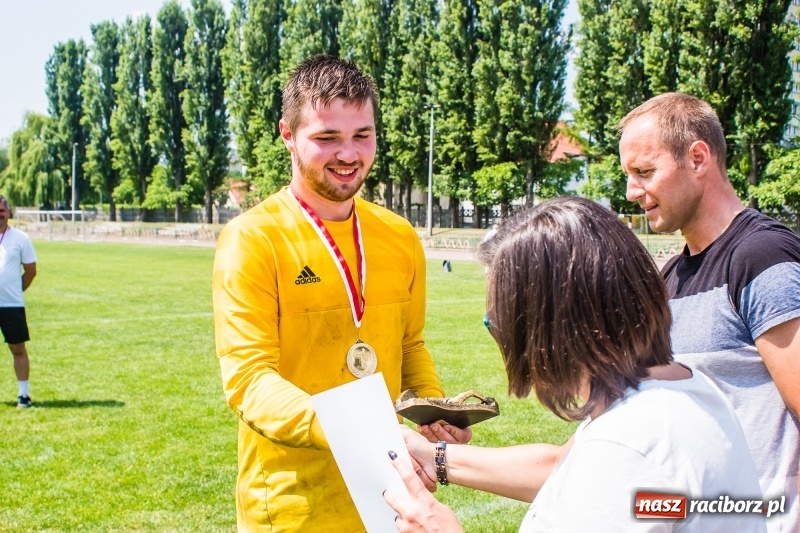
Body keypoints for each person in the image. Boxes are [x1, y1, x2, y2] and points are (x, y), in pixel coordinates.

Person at [384, 197, 765, 532]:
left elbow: (606, 464)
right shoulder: (678, 393)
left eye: (497, 321)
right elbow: (561, 464)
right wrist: (434, 457)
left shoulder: (627, 447)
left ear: (545, 327)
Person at [212, 55, 468, 532]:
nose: (348, 154)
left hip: (390, 495)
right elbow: (249, 380)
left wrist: (432, 410)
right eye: (327, 138)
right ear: (287, 134)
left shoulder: (399, 235)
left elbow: (408, 346)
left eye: (362, 135)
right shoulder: (252, 239)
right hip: (292, 508)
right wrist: (356, 431)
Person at [619, 93, 800, 533]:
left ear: (698, 158)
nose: (631, 191)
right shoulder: (670, 277)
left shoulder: (762, 256)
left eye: (644, 172)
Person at [0, 196, 37, 408]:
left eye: (2, 210)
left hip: (11, 305)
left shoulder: (21, 238)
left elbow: (31, 272)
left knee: (18, 348)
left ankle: (23, 395)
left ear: (8, 212)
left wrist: (15, 290)